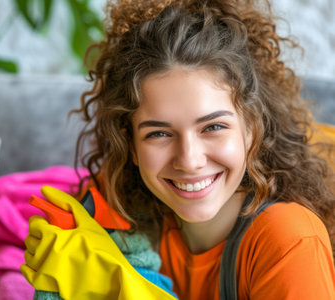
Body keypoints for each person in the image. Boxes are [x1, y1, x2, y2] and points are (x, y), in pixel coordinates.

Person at [21, 0, 335, 299]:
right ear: (130, 144)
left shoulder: (288, 241)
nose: (189, 160)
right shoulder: (123, 209)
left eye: (212, 127)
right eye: (159, 133)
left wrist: (124, 288)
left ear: (251, 129)